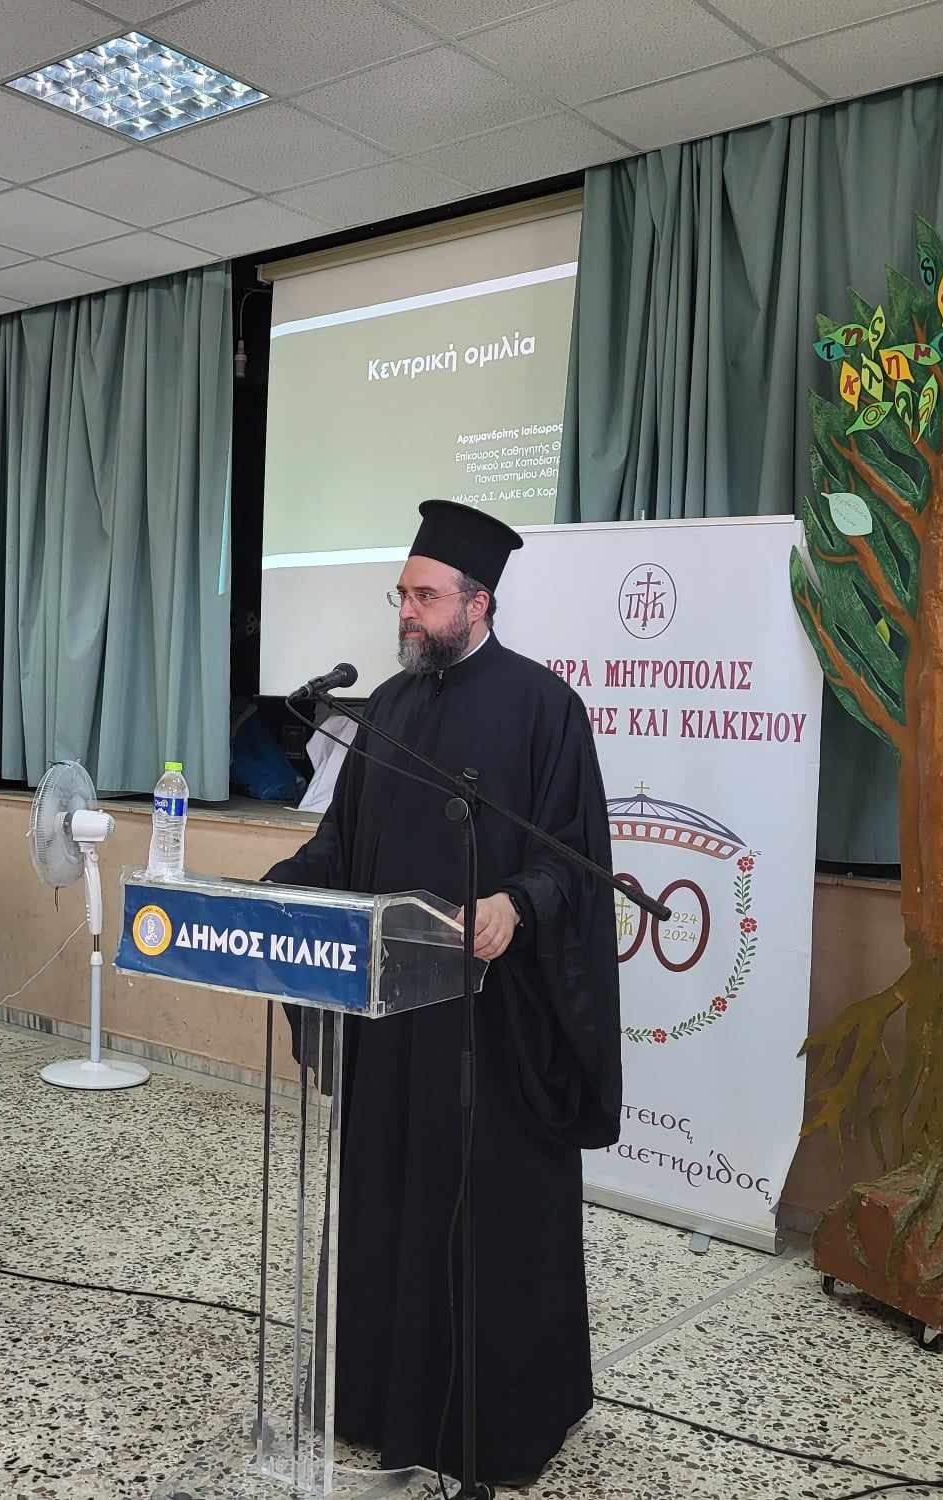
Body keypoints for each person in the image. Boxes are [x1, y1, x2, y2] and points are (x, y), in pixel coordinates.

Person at [266, 499, 622, 1484]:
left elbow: (576, 862)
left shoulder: (544, 708)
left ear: (478, 602)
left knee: (484, 1222)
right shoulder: (384, 709)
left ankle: (493, 1426)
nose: (407, 613)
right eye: (402, 596)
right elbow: (339, 847)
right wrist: (274, 894)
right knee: (389, 1208)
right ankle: (379, 1403)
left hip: (492, 1028)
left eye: (424, 597)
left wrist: (515, 903)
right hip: (393, 1026)